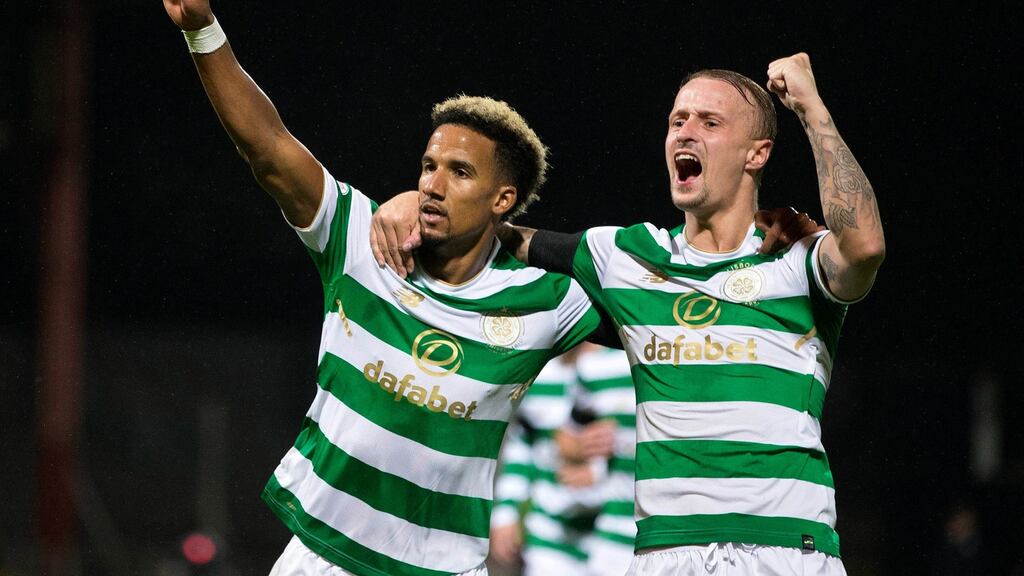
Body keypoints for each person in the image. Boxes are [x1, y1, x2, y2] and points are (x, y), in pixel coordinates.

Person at [371, 53, 886, 574]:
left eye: (710, 122)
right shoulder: (625, 257)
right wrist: (416, 205)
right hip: (664, 553)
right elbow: (495, 236)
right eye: (677, 120)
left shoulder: (796, 257)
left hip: (785, 549)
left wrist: (811, 107)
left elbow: (864, 248)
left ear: (757, 154)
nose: (686, 133)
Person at [162, 2, 614, 574]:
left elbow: (654, 303)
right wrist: (202, 29)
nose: (432, 184)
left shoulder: (546, 300)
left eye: (460, 172)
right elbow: (268, 147)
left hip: (443, 567)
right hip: (321, 555)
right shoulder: (361, 240)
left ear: (503, 200)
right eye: (428, 166)